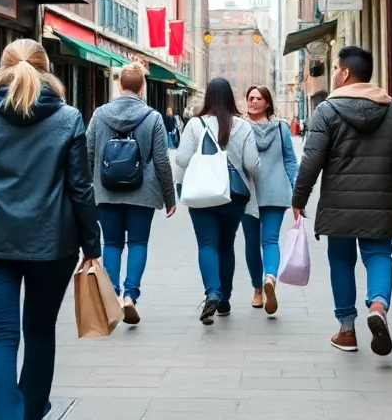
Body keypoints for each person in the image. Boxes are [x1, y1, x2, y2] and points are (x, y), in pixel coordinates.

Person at [0, 39, 100, 420]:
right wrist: (91, 244)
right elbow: (80, 187)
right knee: (41, 332)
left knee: (0, 336)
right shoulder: (68, 118)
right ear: (47, 69)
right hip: (53, 244)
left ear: (2, 67)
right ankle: (30, 412)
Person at [291, 45, 392, 356]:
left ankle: (347, 331)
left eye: (336, 68)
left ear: (345, 73)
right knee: (378, 254)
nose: (334, 73)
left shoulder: (326, 111)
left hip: (338, 203)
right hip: (381, 200)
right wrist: (387, 172)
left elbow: (311, 161)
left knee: (341, 261)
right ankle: (378, 306)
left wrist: (299, 198)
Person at [86, 63, 176, 324]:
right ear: (143, 87)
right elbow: (161, 160)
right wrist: (170, 197)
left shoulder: (100, 114)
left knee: (112, 243)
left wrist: (87, 190)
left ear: (119, 85)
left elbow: (88, 155)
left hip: (106, 191)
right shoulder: (153, 117)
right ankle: (130, 296)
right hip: (143, 192)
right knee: (138, 243)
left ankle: (112, 294)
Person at [176, 77, 259, 325]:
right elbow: (252, 164)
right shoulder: (243, 126)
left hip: (201, 194)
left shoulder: (195, 125)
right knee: (226, 245)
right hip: (233, 195)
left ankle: (212, 291)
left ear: (208, 97)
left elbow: (181, 159)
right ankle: (224, 301)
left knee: (207, 245)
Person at [242, 84, 297, 314]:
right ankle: (269, 278)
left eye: (258, 98)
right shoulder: (281, 128)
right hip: (275, 192)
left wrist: (297, 196)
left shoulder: (241, 128)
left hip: (249, 193)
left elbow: (290, 161)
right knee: (268, 241)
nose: (253, 102)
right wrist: (294, 192)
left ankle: (258, 289)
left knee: (255, 243)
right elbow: (291, 162)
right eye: (250, 98)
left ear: (267, 102)